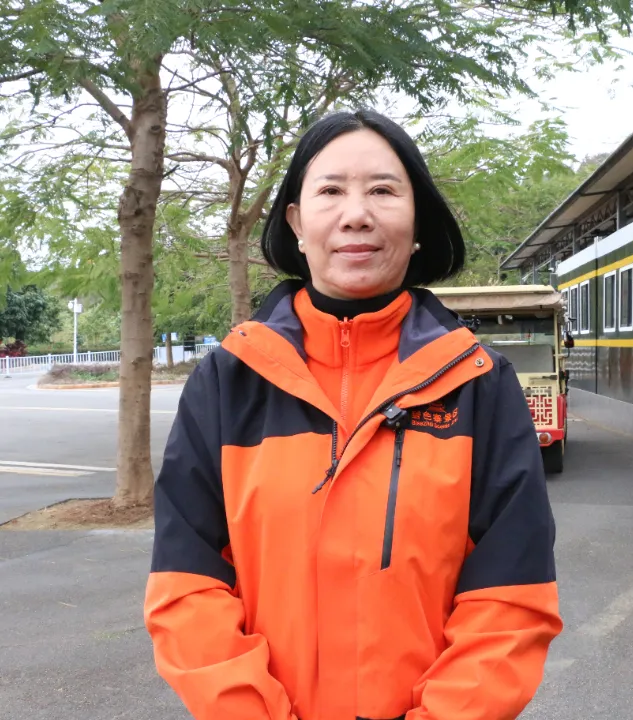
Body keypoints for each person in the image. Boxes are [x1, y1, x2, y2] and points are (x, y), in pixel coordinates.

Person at [144, 109, 562, 720]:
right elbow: (187, 587)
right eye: (331, 190)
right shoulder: (229, 382)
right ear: (296, 222)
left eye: (384, 191)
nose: (357, 214)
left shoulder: (478, 384)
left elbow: (511, 600)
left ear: (417, 223)